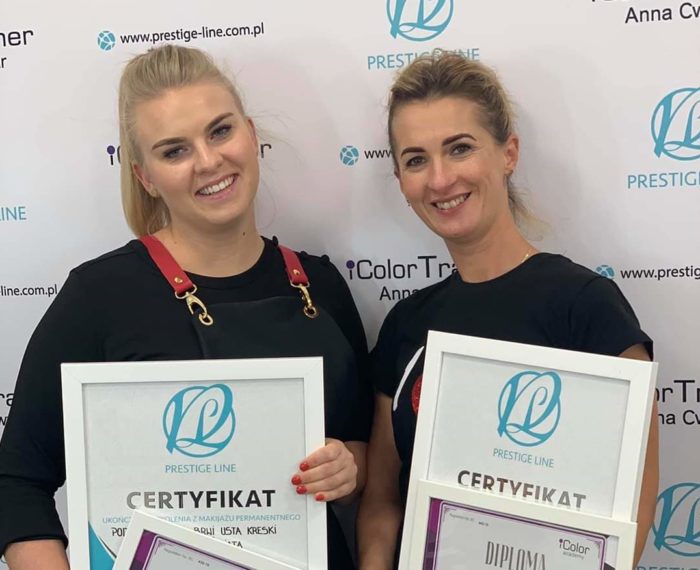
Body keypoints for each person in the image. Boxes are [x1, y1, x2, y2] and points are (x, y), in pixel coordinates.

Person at [0, 45, 371, 570]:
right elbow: (16, 481)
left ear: (250, 133)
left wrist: (346, 469)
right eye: (174, 151)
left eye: (220, 131)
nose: (209, 161)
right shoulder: (99, 296)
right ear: (145, 176)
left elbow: (364, 451)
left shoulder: (320, 285)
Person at [356, 51, 659, 569]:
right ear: (401, 178)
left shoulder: (585, 306)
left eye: (460, 148)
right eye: (416, 159)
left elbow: (631, 509)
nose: (439, 179)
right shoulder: (407, 323)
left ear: (508, 153)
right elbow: (383, 504)